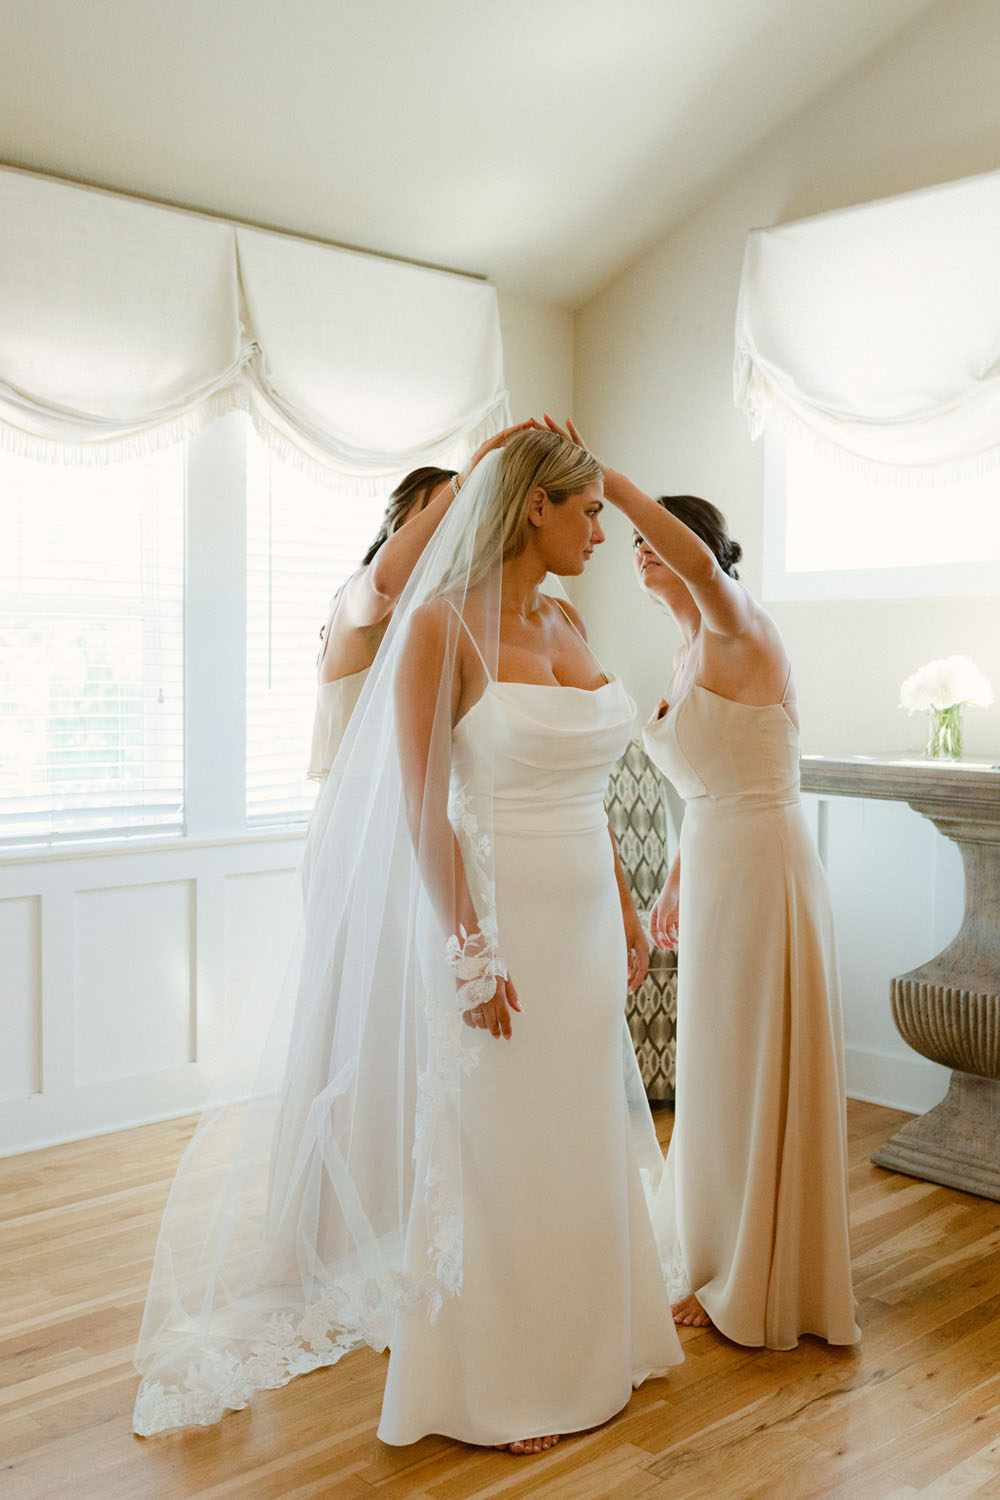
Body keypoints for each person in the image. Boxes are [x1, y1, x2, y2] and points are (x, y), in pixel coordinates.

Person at [132, 428, 683, 1450]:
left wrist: (618, 899)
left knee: (579, 1139)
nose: (602, 532)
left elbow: (594, 790)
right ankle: (501, 1379)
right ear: (534, 509)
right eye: (589, 511)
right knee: (496, 1149)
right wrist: (470, 952)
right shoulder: (435, 629)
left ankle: (598, 1340)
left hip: (582, 931)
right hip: (496, 924)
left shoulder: (564, 620)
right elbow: (425, 807)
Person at [544, 415, 859, 1353]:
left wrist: (610, 477)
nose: (637, 551)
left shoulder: (737, 622)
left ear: (696, 556)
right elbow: (710, 775)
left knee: (756, 1057)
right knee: (715, 1062)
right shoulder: (682, 659)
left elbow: (754, 779)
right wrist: (675, 876)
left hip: (768, 867)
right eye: (629, 541)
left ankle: (758, 1270)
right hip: (718, 861)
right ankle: (713, 1245)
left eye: (651, 541)